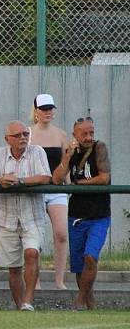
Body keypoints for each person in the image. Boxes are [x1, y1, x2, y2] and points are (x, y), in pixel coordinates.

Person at [0, 120, 51, 311]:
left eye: (26, 134)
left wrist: (19, 181)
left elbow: (45, 177)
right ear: (7, 139)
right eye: (18, 135)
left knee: (32, 253)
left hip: (32, 217)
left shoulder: (37, 152)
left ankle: (28, 301)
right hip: (7, 219)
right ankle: (20, 306)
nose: (23, 138)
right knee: (14, 267)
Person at [52, 117, 111, 310]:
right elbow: (56, 179)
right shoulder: (73, 152)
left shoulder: (99, 148)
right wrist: (67, 157)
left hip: (98, 215)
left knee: (90, 257)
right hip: (76, 215)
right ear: (74, 134)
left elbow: (104, 178)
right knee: (78, 265)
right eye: (84, 133)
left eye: (91, 132)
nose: (88, 137)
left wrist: (78, 184)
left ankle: (79, 300)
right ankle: (90, 303)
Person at [29, 93, 69, 289]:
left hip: (56, 189)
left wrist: (69, 186)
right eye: (43, 109)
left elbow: (65, 163)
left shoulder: (61, 135)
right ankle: (34, 281)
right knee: (35, 235)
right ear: (36, 111)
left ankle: (59, 280)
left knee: (61, 233)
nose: (47, 112)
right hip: (35, 189)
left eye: (50, 109)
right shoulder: (27, 134)